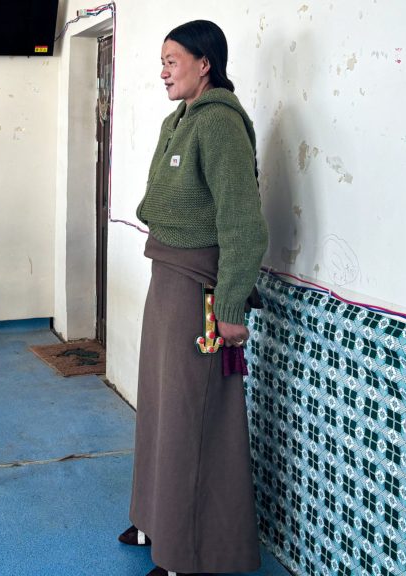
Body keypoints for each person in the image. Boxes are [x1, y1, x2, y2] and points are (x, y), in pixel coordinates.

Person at [122, 20, 269, 576]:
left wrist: (231, 309)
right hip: (167, 280)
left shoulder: (222, 125)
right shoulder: (175, 122)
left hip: (201, 290)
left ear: (204, 63)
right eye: (160, 60)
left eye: (172, 60)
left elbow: (242, 224)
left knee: (193, 414)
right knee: (160, 407)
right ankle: (151, 519)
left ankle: (186, 553)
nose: (162, 71)